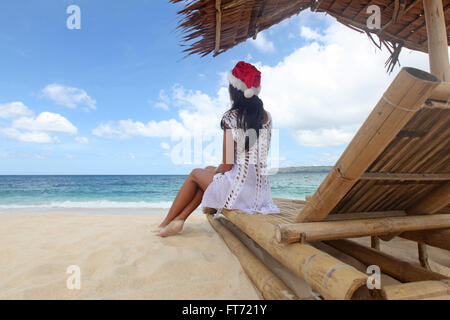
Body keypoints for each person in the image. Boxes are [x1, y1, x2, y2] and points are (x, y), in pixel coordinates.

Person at [156, 61, 280, 237]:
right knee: (208, 171)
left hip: (239, 193)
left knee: (194, 174)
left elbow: (228, 165)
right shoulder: (267, 117)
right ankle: (180, 220)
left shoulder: (232, 117)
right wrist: (216, 170)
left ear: (234, 89)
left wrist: (218, 170)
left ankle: (166, 223)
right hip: (260, 194)